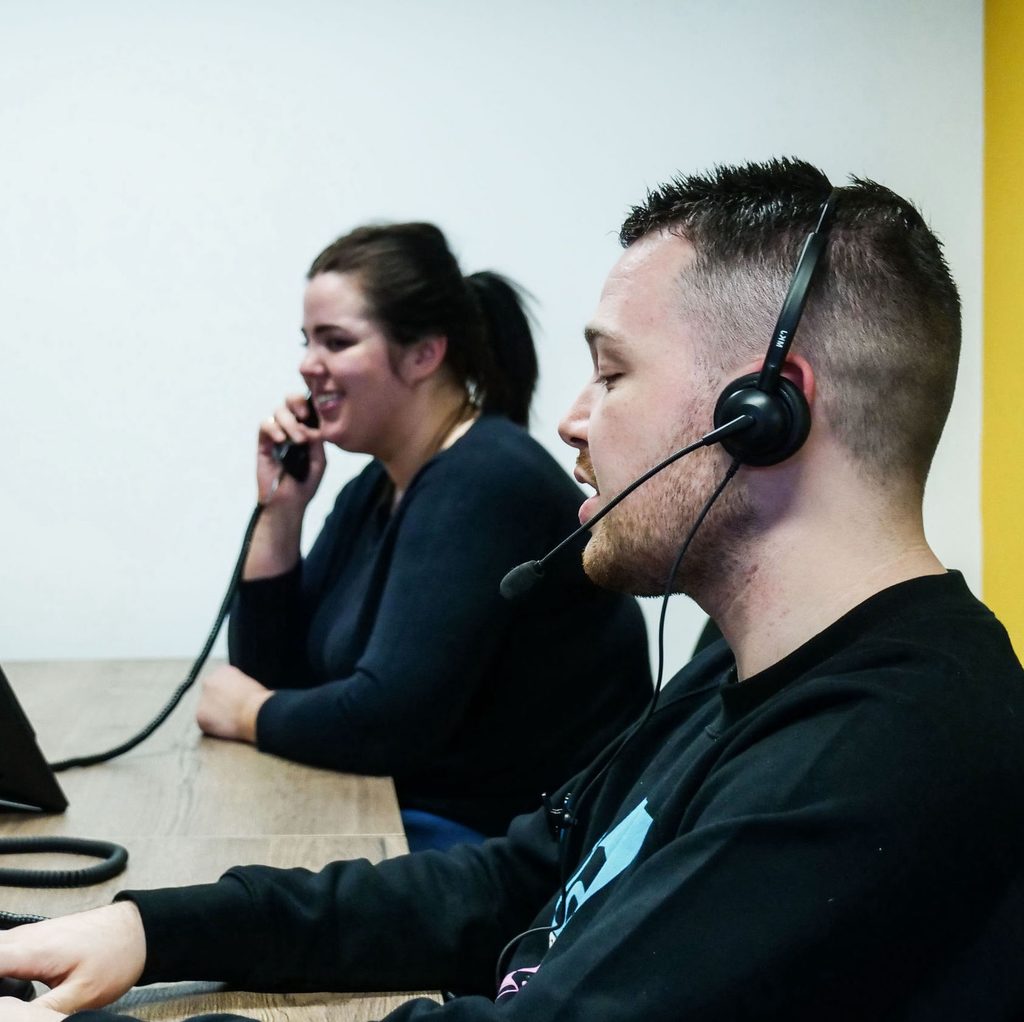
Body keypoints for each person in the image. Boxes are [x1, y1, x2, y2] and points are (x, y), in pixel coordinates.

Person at [3, 158, 1023, 1020]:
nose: (572, 419)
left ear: (765, 411)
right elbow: (514, 881)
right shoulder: (739, 664)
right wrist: (153, 925)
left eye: (612, 374)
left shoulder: (881, 750)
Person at [193, 221, 652, 849]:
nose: (307, 365)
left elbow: (385, 722)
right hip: (418, 818)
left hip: (505, 854)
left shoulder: (486, 480)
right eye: (307, 341)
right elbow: (274, 675)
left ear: (423, 354)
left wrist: (248, 714)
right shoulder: (379, 485)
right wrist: (280, 513)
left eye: (336, 341)